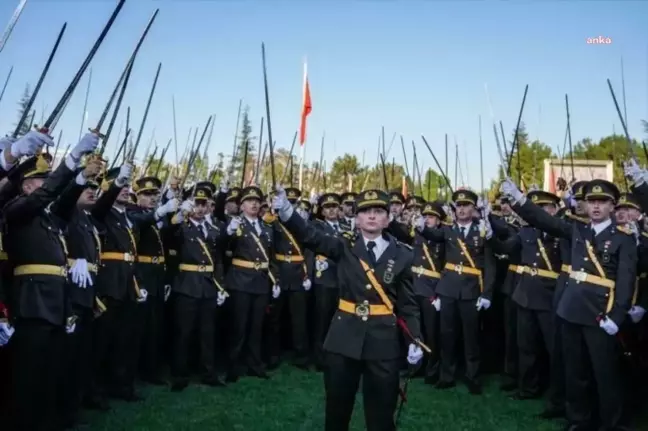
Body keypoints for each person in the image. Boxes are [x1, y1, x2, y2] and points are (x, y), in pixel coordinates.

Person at [273, 187, 424, 431]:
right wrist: (289, 213)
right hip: (343, 338)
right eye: (365, 212)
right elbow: (311, 235)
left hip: (383, 341)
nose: (372, 216)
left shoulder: (404, 254)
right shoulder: (343, 245)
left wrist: (415, 339)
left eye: (378, 211)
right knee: (337, 409)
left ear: (388, 218)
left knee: (382, 413)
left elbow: (408, 305)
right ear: (357, 218)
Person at [501, 177, 637, 431]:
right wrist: (519, 200)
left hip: (600, 314)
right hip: (571, 311)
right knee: (575, 372)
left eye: (602, 202)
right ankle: (578, 419)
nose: (596, 206)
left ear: (612, 206)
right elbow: (545, 221)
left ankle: (612, 423)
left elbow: (626, 281)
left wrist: (617, 316)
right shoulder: (577, 230)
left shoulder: (623, 239)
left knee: (605, 373)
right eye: (591, 201)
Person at [416, 189, 495, 394]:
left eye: (466, 205)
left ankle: (472, 377)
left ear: (473, 208)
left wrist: (486, 293)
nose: (461, 209)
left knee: (471, 338)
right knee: (447, 335)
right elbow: (432, 233)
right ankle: (446, 375)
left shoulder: (483, 230)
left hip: (471, 290)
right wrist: (421, 227)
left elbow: (490, 265)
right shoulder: (448, 230)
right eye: (458, 206)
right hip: (448, 289)